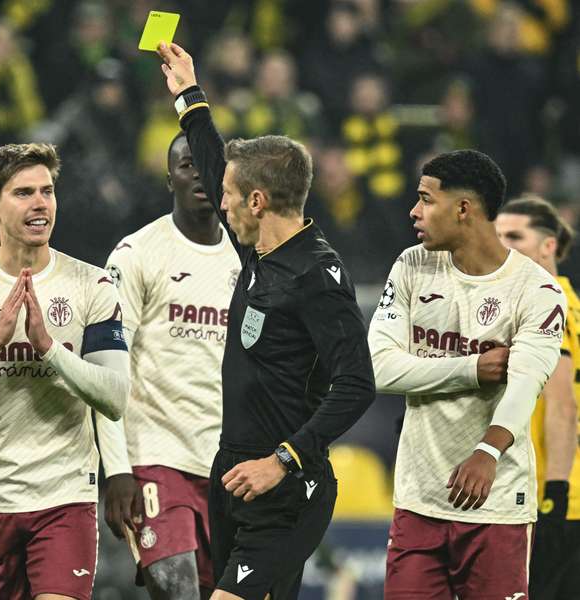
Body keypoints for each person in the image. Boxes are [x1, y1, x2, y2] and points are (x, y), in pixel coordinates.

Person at [157, 42, 375, 599]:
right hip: (232, 474)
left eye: (227, 197)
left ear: (257, 201)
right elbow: (213, 162)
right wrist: (189, 94)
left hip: (284, 486)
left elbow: (356, 385)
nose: (217, 204)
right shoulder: (263, 250)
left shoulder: (316, 278)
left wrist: (283, 460)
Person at [0, 142, 130, 600]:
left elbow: (114, 396)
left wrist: (49, 349)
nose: (40, 203)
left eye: (47, 191)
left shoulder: (92, 285)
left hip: (64, 496)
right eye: (24, 192)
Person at [368, 151, 567, 600]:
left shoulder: (536, 292)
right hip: (418, 500)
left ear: (463, 209)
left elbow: (524, 385)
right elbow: (380, 369)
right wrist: (472, 368)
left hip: (496, 504)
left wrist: (488, 451)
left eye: (425, 199)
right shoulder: (411, 266)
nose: (414, 211)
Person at [97, 131, 240, 598]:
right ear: (169, 179)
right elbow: (106, 367)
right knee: (174, 587)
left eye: (206, 164)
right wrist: (116, 469)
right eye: (186, 165)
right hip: (156, 455)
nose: (198, 174)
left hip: (229, 464)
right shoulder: (136, 254)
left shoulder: (249, 258)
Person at [495, 195, 580, 600]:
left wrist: (556, 497)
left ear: (548, 245)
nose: (503, 245)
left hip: (553, 496)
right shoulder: (572, 303)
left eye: (515, 235)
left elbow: (562, 407)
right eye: (497, 235)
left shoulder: (548, 308)